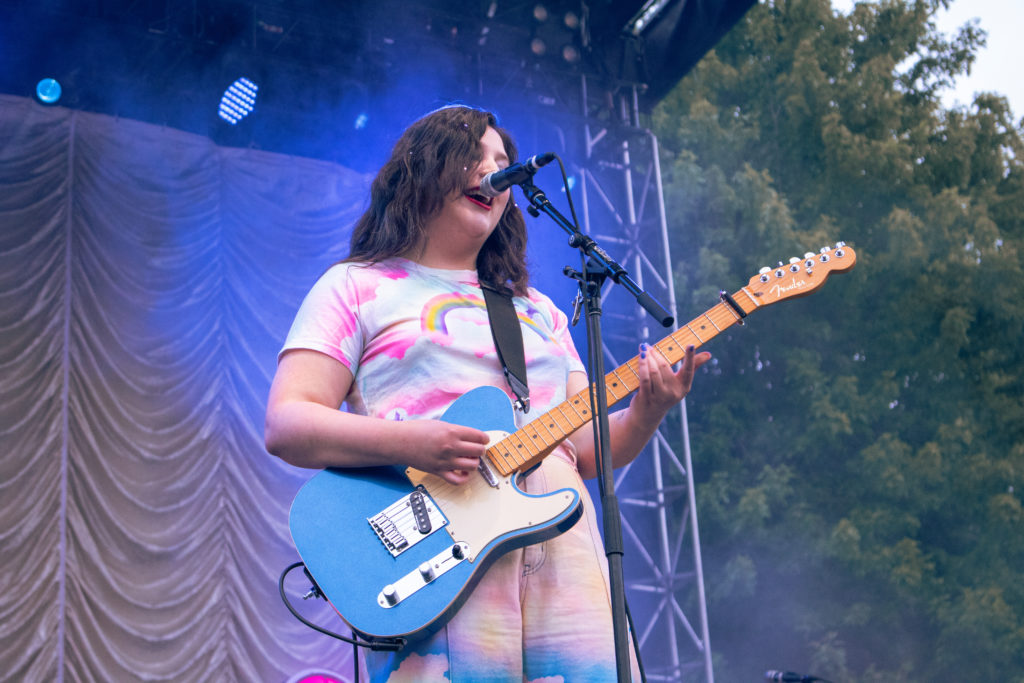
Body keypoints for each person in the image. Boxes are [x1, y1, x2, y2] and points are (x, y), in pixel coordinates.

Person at [265, 105, 711, 682]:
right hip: (440, 551)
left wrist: (647, 412)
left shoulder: (540, 312)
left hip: (565, 549)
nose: (494, 172)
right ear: (423, 167)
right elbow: (288, 423)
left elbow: (590, 450)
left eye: (503, 163)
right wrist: (412, 443)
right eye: (475, 156)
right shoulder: (357, 287)